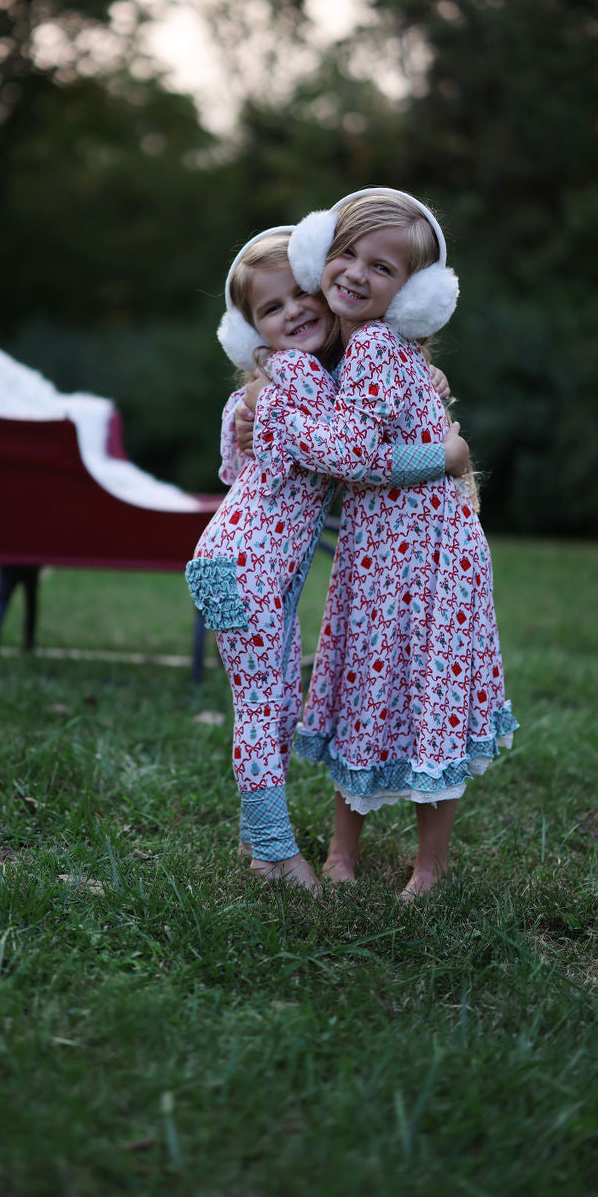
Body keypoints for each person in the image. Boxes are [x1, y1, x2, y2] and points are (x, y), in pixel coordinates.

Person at [186, 225, 471, 894]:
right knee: (264, 708)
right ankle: (274, 856)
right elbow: (349, 455)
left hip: (257, 570)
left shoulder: (306, 375)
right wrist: (447, 457)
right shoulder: (289, 375)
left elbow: (250, 453)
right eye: (272, 308)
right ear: (251, 332)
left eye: (301, 295)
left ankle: (258, 831)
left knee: (276, 705)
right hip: (241, 567)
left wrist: (414, 371)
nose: (295, 312)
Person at [254, 187, 518, 895]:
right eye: (347, 253)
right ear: (320, 254)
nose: (357, 273)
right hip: (410, 547)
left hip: (415, 554)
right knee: (414, 689)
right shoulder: (364, 347)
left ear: (415, 292)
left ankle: (367, 856)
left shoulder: (375, 345)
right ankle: (405, 860)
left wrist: (446, 456)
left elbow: (352, 455)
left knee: (375, 688)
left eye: (383, 267)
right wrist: (449, 455)